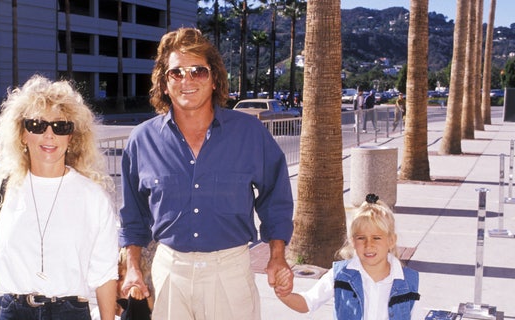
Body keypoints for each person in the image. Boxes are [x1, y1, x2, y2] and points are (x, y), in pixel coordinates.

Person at [118, 27, 294, 320]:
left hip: (231, 273)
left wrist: (277, 257)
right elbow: (132, 215)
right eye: (177, 73)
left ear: (214, 79)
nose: (187, 80)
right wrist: (133, 267)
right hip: (169, 276)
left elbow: (275, 199)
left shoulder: (249, 133)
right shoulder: (141, 140)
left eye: (198, 71)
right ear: (164, 83)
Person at [0, 74, 119, 320]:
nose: (49, 135)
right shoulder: (4, 189)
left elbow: (105, 273)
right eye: (37, 125)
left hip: (69, 313)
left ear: (71, 137)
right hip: (13, 311)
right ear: (22, 134)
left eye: (60, 127)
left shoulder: (92, 196)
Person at [274, 193, 422, 319]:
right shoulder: (340, 275)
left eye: (376, 238)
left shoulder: (408, 282)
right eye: (361, 238)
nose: (368, 244)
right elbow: (307, 302)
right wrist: (284, 294)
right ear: (352, 241)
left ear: (391, 240)